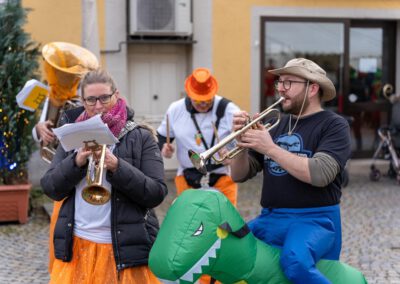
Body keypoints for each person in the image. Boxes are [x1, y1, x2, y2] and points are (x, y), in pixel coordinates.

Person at [229, 58, 351, 284]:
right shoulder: (276, 124)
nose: (280, 89)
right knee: (228, 249)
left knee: (294, 262)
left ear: (312, 88)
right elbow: (238, 175)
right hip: (270, 217)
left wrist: (270, 148)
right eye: (279, 82)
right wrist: (241, 144)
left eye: (289, 82)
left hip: (315, 220)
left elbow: (320, 173)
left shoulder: (334, 125)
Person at [41, 68, 167, 283]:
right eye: (91, 100)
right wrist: (76, 162)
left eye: (104, 98)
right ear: (82, 100)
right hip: (77, 246)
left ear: (116, 95)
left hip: (123, 252)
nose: (98, 106)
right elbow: (51, 188)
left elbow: (156, 193)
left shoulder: (141, 136)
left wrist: (118, 166)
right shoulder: (72, 134)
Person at [157, 67, 240, 206]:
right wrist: (164, 147)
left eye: (207, 100)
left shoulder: (228, 109)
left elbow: (242, 136)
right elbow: (161, 137)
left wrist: (231, 152)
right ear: (189, 94)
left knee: (226, 225)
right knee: (190, 225)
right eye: (198, 100)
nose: (203, 104)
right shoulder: (175, 109)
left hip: (221, 177)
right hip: (187, 178)